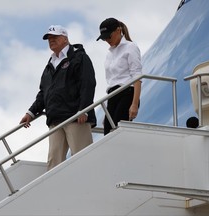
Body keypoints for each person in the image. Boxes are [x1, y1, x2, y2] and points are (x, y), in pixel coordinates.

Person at [20, 25, 96, 170]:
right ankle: (55, 192)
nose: (51, 40)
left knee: (82, 159)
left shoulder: (80, 57)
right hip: (55, 119)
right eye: (49, 38)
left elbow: (88, 84)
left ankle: (87, 189)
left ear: (65, 39)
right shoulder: (50, 65)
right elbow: (43, 93)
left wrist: (84, 110)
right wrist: (30, 113)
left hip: (76, 117)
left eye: (54, 37)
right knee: (53, 162)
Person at [96, 18, 142, 135]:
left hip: (127, 93)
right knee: (107, 131)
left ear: (118, 30)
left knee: (117, 132)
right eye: (104, 38)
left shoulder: (130, 47)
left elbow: (137, 76)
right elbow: (111, 81)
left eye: (108, 36)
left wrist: (135, 103)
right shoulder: (109, 53)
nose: (107, 40)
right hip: (112, 95)